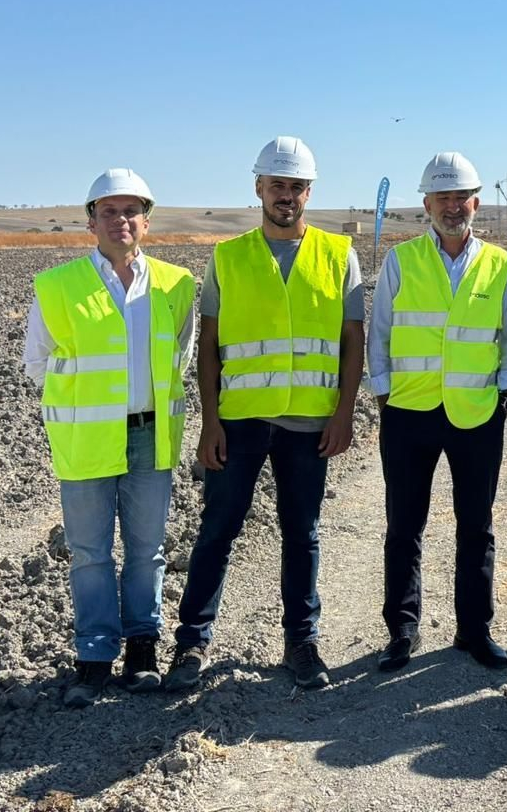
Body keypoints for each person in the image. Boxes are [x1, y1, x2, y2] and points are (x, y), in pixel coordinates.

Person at [165, 136, 365, 692]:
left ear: (310, 191)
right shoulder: (228, 258)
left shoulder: (337, 255)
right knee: (218, 530)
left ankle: (301, 643)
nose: (287, 196)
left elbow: (353, 339)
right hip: (241, 422)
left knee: (302, 533)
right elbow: (209, 344)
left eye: (297, 186)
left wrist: (344, 412)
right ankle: (191, 644)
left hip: (309, 424)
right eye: (277, 185)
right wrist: (210, 421)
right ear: (258, 188)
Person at [22, 169, 196, 708]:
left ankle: (142, 649)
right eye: (109, 211)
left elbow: (182, 357)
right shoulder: (58, 287)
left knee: (147, 551)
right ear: (91, 220)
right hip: (86, 440)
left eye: (130, 211)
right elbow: (36, 363)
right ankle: (94, 658)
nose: (121, 221)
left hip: (151, 437)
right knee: (90, 554)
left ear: (146, 219)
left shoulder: (176, 284)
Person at [368, 152, 507, 673]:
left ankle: (475, 629)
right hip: (409, 412)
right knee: (403, 525)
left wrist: (504, 396)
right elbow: (382, 331)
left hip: (478, 412)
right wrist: (385, 395)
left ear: (475, 202)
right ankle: (403, 630)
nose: (453, 206)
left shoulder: (499, 264)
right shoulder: (402, 260)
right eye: (443, 197)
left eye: (462, 197)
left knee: (476, 526)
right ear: (426, 204)